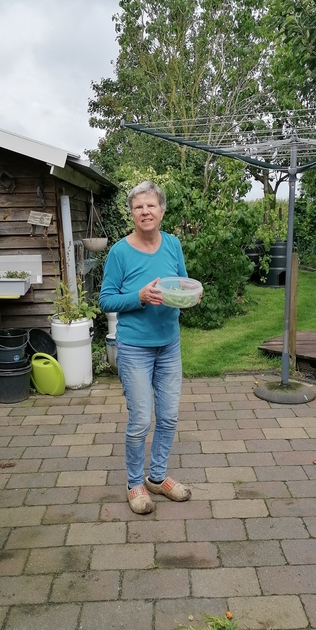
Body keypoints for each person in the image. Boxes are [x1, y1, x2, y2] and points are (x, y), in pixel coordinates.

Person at [99, 180, 198, 514]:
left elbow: (182, 281)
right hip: (135, 348)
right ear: (132, 213)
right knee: (141, 420)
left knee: (168, 417)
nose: (145, 211)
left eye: (151, 205)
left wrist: (190, 295)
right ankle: (134, 483)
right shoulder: (119, 252)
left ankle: (157, 477)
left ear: (162, 210)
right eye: (138, 206)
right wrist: (139, 297)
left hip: (169, 344)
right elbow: (105, 299)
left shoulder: (172, 244)